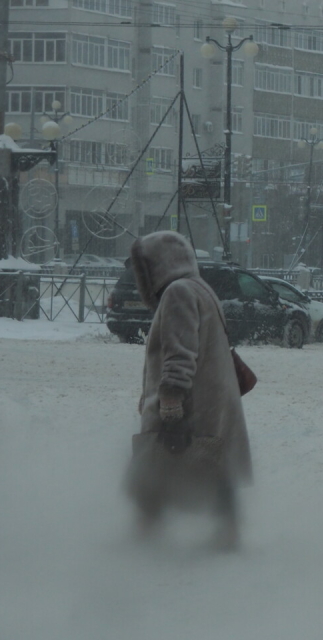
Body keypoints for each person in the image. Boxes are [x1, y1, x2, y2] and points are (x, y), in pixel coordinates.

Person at [125, 231, 252, 549]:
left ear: (155, 267)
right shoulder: (201, 288)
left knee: (156, 462)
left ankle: (147, 532)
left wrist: (170, 399)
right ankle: (228, 533)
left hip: (192, 402)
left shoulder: (178, 292)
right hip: (212, 399)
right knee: (213, 466)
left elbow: (179, 352)